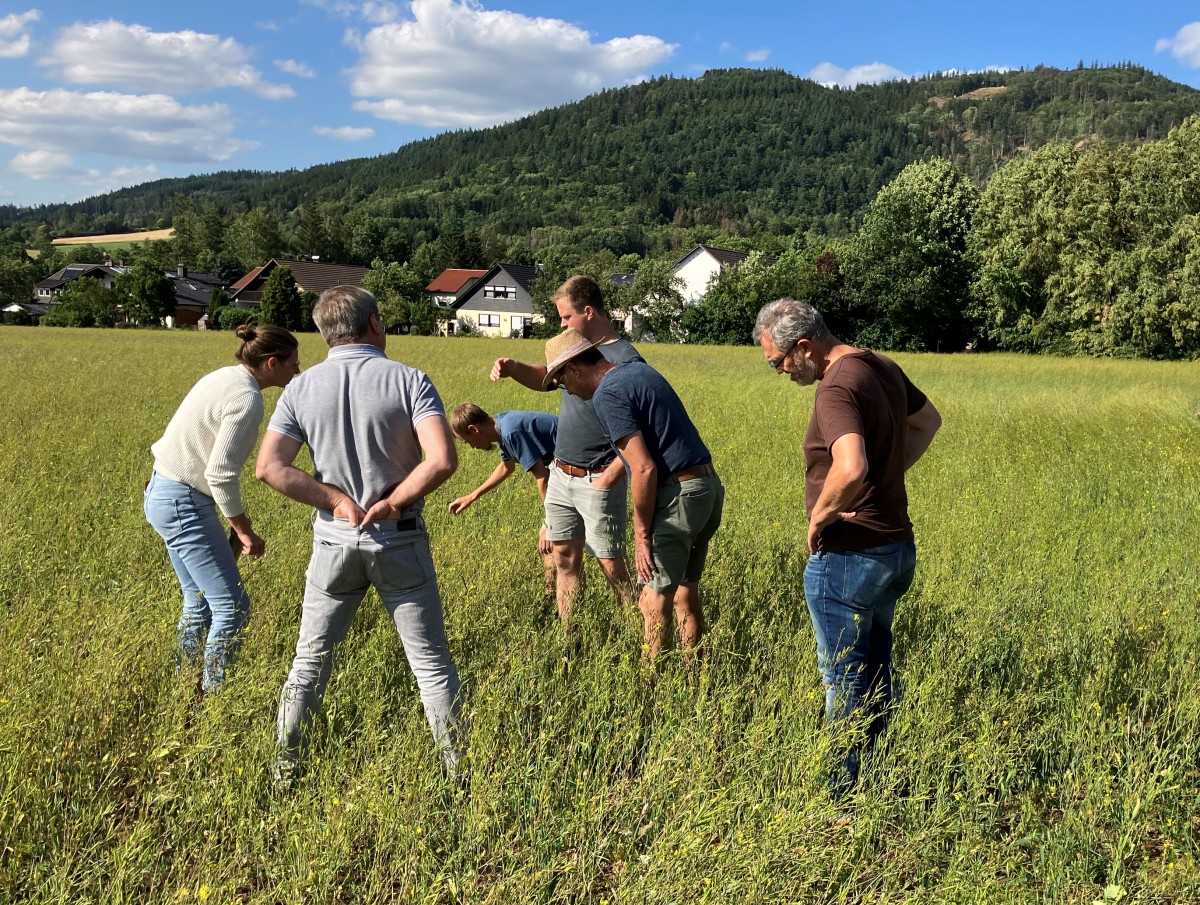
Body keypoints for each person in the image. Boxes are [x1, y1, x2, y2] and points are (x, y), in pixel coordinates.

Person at [255, 286, 463, 781]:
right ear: (374, 324)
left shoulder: (298, 390)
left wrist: (336, 501)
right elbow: (442, 459)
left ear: (325, 333)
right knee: (430, 666)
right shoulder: (409, 380)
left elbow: (269, 468)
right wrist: (392, 502)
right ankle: (459, 777)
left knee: (309, 664)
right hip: (398, 537)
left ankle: (285, 772)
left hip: (333, 540)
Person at [753, 298, 941, 794]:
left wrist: (822, 515)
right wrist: (886, 478)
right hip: (894, 547)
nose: (781, 373)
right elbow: (928, 422)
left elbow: (850, 466)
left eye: (779, 362)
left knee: (843, 677)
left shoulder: (836, 386)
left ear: (805, 348)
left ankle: (841, 797)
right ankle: (877, 776)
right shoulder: (882, 366)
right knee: (876, 665)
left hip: (851, 554)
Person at [541, 329, 724, 659]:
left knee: (651, 602)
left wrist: (641, 537)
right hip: (706, 489)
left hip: (678, 497)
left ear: (573, 369)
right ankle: (697, 677)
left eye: (562, 382)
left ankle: (649, 693)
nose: (568, 390)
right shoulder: (636, 371)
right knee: (685, 594)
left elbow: (642, 468)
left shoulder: (607, 394)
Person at [144, 324, 301, 693]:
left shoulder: (224, 377)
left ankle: (183, 686)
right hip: (183, 502)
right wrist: (243, 529)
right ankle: (214, 696)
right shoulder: (247, 398)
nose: (298, 370)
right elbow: (219, 473)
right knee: (232, 607)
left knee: (199, 603)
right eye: (293, 363)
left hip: (163, 493)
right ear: (272, 363)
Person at [490, 276, 640, 625]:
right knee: (564, 559)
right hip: (561, 473)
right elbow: (546, 376)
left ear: (588, 312)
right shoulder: (575, 349)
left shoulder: (625, 360)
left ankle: (638, 630)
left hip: (597, 476)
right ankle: (567, 636)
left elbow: (641, 427)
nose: (561, 325)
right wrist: (514, 369)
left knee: (612, 564)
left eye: (565, 318)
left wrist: (611, 475)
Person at [447, 403, 558, 606]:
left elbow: (542, 476)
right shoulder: (502, 426)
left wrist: (551, 523)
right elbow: (507, 467)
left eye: (466, 441)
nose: (471, 447)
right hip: (566, 472)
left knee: (551, 542)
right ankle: (551, 597)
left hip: (584, 468)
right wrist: (471, 496)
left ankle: (552, 599)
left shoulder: (511, 432)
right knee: (551, 545)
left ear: (474, 429)